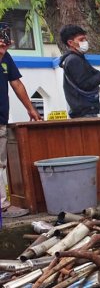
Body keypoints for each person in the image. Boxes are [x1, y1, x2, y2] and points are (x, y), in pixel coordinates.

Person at [0, 23, 42, 218]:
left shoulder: (6, 57)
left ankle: (2, 205)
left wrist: (31, 108)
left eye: (6, 35)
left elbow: (16, 83)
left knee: (1, 163)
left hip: (1, 118)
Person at [59, 25, 100, 118]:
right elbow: (85, 84)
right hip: (83, 112)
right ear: (70, 43)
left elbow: (97, 76)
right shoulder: (73, 60)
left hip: (86, 110)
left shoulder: (79, 58)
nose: (85, 43)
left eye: (85, 40)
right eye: (81, 40)